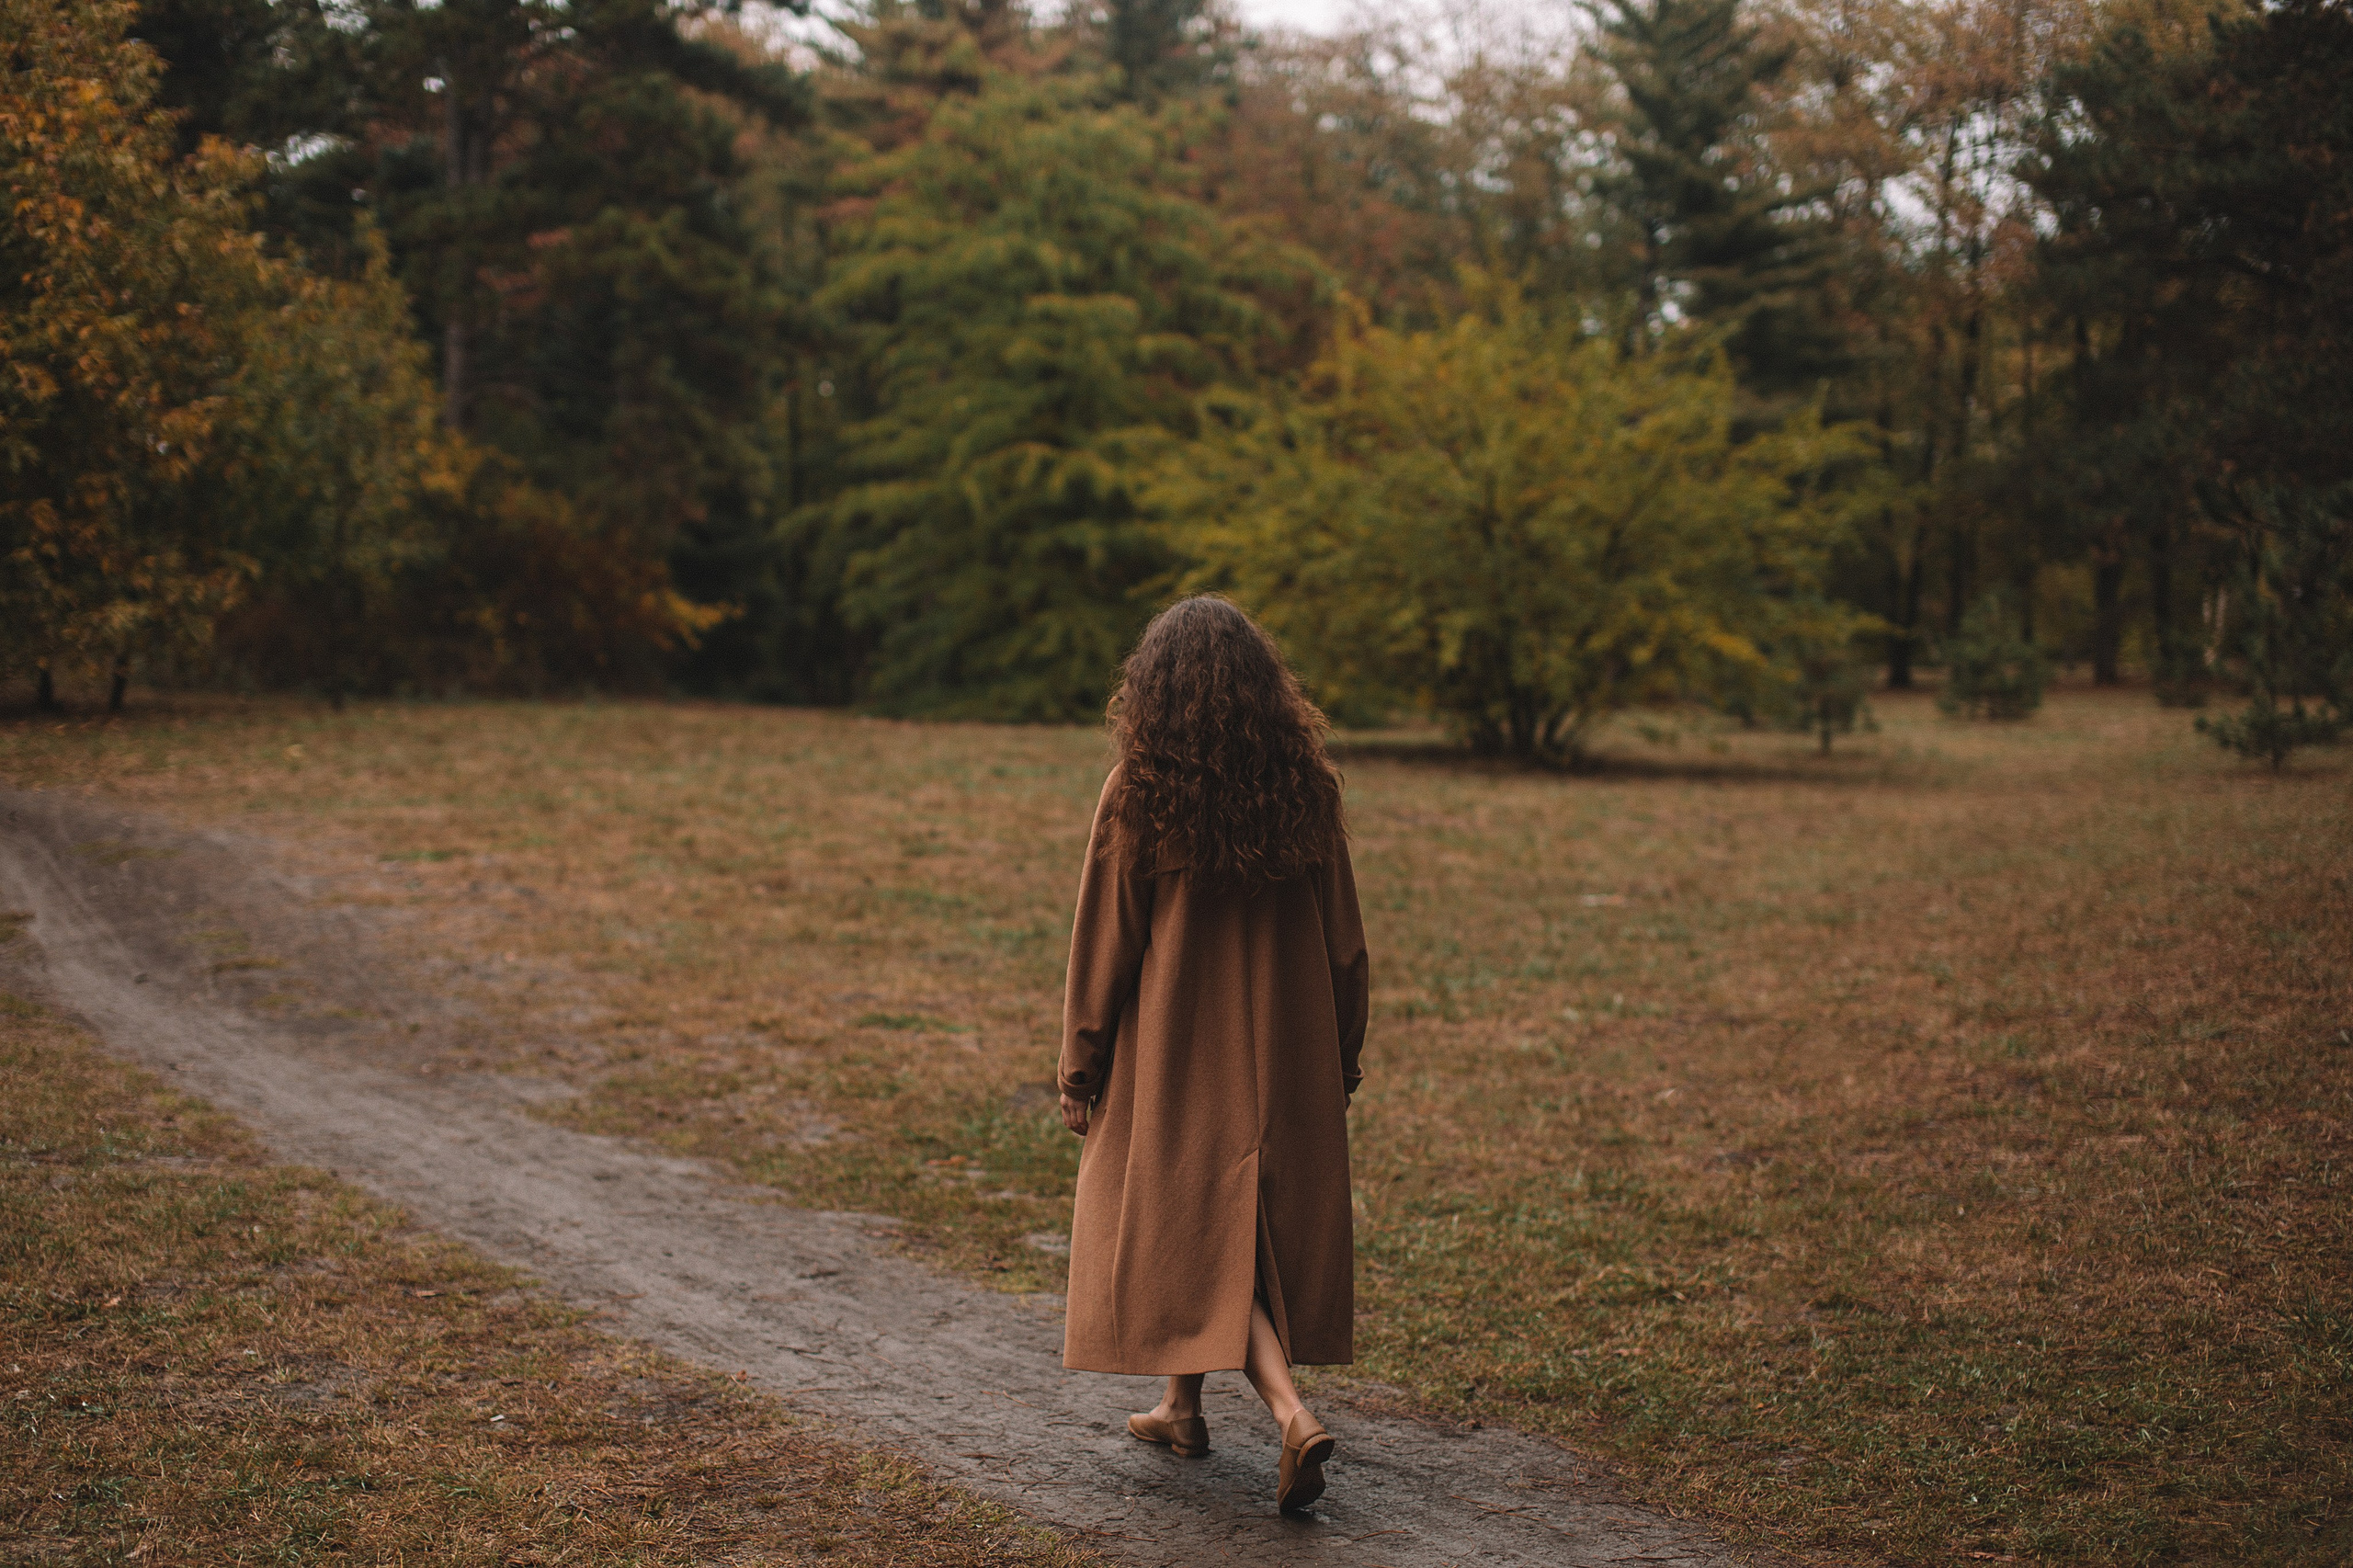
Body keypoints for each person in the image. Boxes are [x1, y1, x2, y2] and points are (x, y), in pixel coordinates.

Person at [1055, 595, 1370, 1514]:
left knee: (1194, 1219)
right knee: (1225, 1225)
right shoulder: (1306, 786)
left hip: (1179, 1058)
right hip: (1288, 1049)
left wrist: (1081, 1063)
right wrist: (1339, 1057)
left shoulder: (1139, 789)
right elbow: (1345, 943)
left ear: (1154, 689)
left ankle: (1288, 1410)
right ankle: (1178, 1407)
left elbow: (1102, 941)